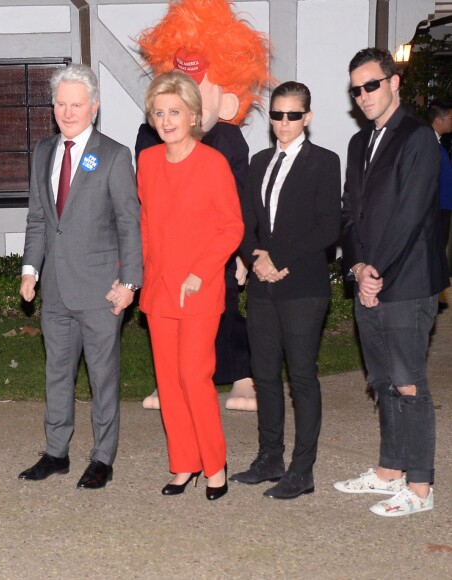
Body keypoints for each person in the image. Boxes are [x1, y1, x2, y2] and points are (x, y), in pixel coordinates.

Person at [136, 0, 270, 411]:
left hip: (216, 250)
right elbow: (140, 200)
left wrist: (245, 253)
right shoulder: (148, 139)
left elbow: (243, 199)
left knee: (225, 308)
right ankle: (171, 379)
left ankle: (241, 375)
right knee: (168, 320)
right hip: (167, 253)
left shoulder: (226, 141)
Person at [334, 48, 449, 517]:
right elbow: (349, 215)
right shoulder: (360, 144)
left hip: (407, 281)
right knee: (381, 381)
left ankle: (420, 488)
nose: (363, 95)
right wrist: (359, 268)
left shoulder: (419, 137)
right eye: (356, 89)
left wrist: (376, 271)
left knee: (407, 385)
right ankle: (389, 470)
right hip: (370, 280)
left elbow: (411, 213)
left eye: (371, 85)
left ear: (393, 82)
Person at [18, 64, 142, 490]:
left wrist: (129, 283)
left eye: (77, 104)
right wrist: (30, 269)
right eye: (61, 104)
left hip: (100, 290)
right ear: (53, 107)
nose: (68, 112)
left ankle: (102, 458)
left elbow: (130, 223)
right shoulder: (43, 152)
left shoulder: (113, 154)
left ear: (94, 107)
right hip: (54, 290)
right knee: (57, 374)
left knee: (102, 377)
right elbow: (39, 218)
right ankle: (56, 452)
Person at [134, 70, 243, 500]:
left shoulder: (212, 163)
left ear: (194, 114)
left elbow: (231, 226)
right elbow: (145, 224)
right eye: (159, 112)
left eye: (174, 111)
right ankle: (184, 463)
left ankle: (215, 465)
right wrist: (138, 274)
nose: (166, 120)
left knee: (194, 377)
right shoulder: (146, 161)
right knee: (168, 380)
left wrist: (201, 271)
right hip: (159, 289)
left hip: (197, 289)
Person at [230, 82, 341, 499]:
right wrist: (255, 256)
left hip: (303, 287)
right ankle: (270, 458)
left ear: (307, 118)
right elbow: (243, 220)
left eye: (293, 115)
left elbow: (328, 226)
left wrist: (279, 258)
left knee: (301, 377)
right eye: (277, 115)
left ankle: (302, 469)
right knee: (263, 374)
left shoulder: (325, 162)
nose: (284, 123)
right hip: (262, 286)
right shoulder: (259, 161)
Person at [426, 99, 452, 256]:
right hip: (436, 209)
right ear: (438, 120)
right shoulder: (428, 144)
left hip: (443, 206)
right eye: (450, 118)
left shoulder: (438, 143)